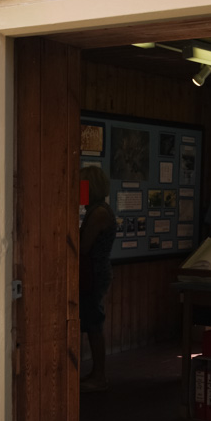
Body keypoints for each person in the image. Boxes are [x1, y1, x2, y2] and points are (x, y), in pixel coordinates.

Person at [79, 166, 117, 391]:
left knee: (94, 324)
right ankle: (96, 372)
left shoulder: (99, 213)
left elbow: (83, 246)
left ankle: (99, 375)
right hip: (94, 271)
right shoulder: (96, 209)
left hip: (94, 272)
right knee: (93, 321)